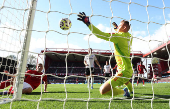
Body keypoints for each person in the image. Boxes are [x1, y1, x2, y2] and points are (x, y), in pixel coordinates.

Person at [78, 12, 133, 97]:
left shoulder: (118, 37)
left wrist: (87, 23)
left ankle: (123, 92)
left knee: (103, 90)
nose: (118, 27)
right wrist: (117, 28)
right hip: (128, 69)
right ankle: (130, 90)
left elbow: (100, 34)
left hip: (124, 70)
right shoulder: (129, 36)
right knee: (125, 81)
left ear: (125, 27)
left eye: (120, 25)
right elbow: (124, 33)